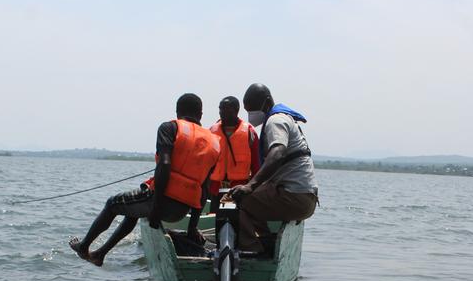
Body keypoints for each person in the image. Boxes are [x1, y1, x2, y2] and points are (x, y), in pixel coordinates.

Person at [69, 93, 220, 266]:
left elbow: (164, 165)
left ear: (177, 112)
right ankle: (100, 254)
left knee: (112, 204)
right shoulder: (214, 143)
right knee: (131, 212)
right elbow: (204, 187)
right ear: (201, 114)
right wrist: (193, 227)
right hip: (182, 210)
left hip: (162, 201)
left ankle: (83, 247)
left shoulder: (170, 128)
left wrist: (156, 207)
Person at [229, 83, 318, 254]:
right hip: (305, 197)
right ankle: (267, 240)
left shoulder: (275, 121)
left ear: (267, 101)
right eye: (248, 111)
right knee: (252, 195)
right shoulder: (284, 118)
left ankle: (253, 251)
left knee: (235, 201)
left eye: (253, 109)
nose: (251, 115)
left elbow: (277, 153)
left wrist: (250, 186)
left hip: (294, 197)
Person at [207, 96, 261, 196]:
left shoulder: (249, 133)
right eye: (220, 108)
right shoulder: (211, 132)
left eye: (226, 109)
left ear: (236, 110)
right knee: (213, 212)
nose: (222, 112)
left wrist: (252, 188)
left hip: (240, 188)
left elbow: (256, 165)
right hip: (215, 188)